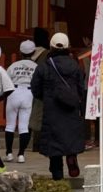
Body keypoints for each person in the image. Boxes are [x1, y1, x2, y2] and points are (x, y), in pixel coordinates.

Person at [30, 32, 87, 180]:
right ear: (68, 47)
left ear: (51, 47)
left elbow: (35, 88)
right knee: (70, 137)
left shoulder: (44, 66)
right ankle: (71, 156)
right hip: (71, 109)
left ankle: (58, 175)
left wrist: (45, 97)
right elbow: (81, 88)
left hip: (52, 110)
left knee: (53, 145)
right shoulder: (75, 66)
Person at [5, 40, 38, 162]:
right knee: (24, 126)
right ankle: (21, 154)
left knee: (10, 125)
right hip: (28, 93)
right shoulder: (36, 67)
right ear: (33, 52)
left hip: (14, 92)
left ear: (20, 52)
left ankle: (9, 153)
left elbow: (6, 81)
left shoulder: (13, 66)